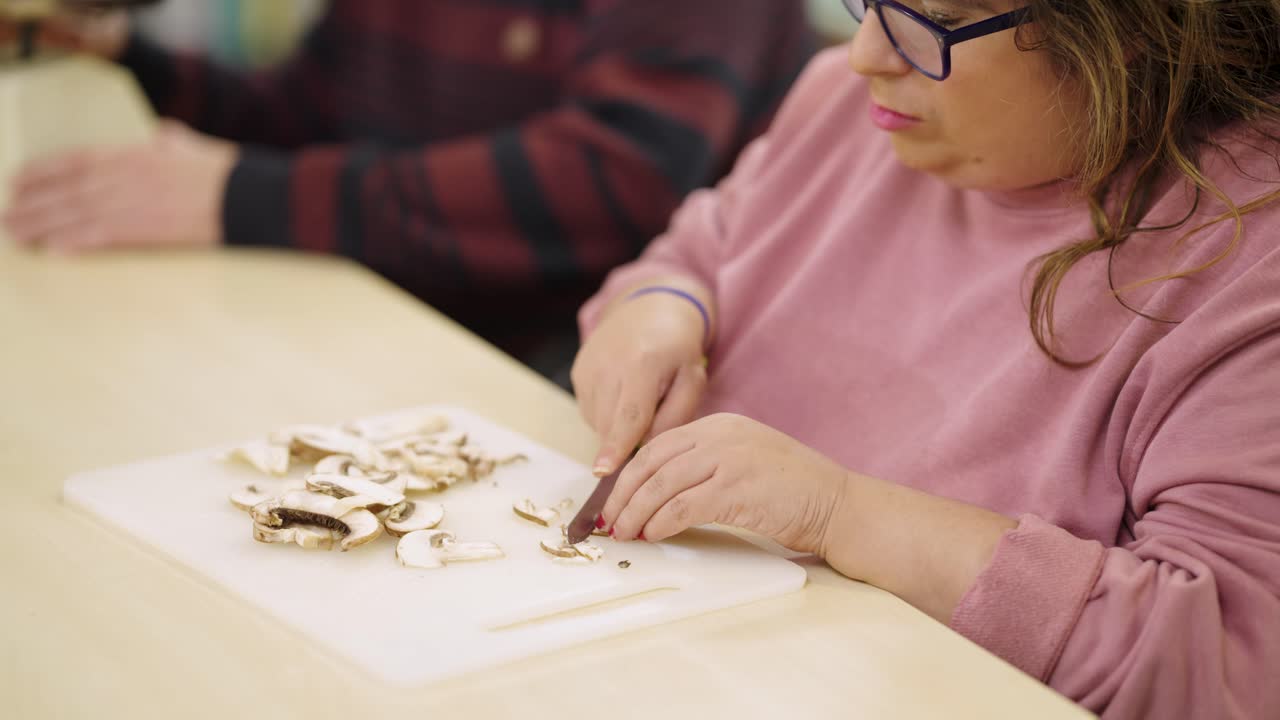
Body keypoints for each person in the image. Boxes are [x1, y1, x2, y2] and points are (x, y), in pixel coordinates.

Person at [571, 1, 1280, 717]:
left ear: (1128, 31)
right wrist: (661, 307)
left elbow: (1225, 663)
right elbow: (703, 250)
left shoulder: (1248, 261)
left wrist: (838, 513)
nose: (865, 55)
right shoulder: (854, 107)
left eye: (930, 21)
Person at [0, 0, 814, 377]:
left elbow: (608, 184)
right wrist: (124, 57)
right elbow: (316, 112)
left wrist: (236, 195)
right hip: (380, 336)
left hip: (573, 375)